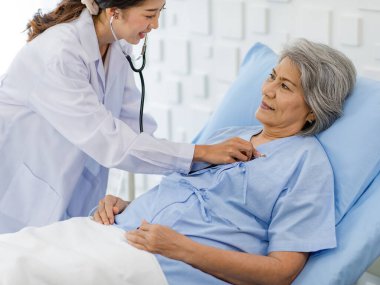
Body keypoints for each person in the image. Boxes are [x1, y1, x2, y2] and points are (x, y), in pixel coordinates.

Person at [0, 39, 356, 285]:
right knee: (10, 252)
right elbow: (183, 198)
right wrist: (126, 207)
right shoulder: (230, 135)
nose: (267, 90)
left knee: (18, 272)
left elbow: (281, 272)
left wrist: (181, 248)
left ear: (313, 110)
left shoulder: (307, 167)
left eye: (286, 87)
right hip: (113, 233)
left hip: (159, 266)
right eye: (271, 77)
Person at [0, 0, 254, 234]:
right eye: (149, 15)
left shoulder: (116, 47)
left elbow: (135, 129)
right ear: (114, 11)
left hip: (66, 195)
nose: (155, 25)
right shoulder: (59, 54)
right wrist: (202, 152)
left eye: (159, 13)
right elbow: (111, 142)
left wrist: (197, 167)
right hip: (20, 195)